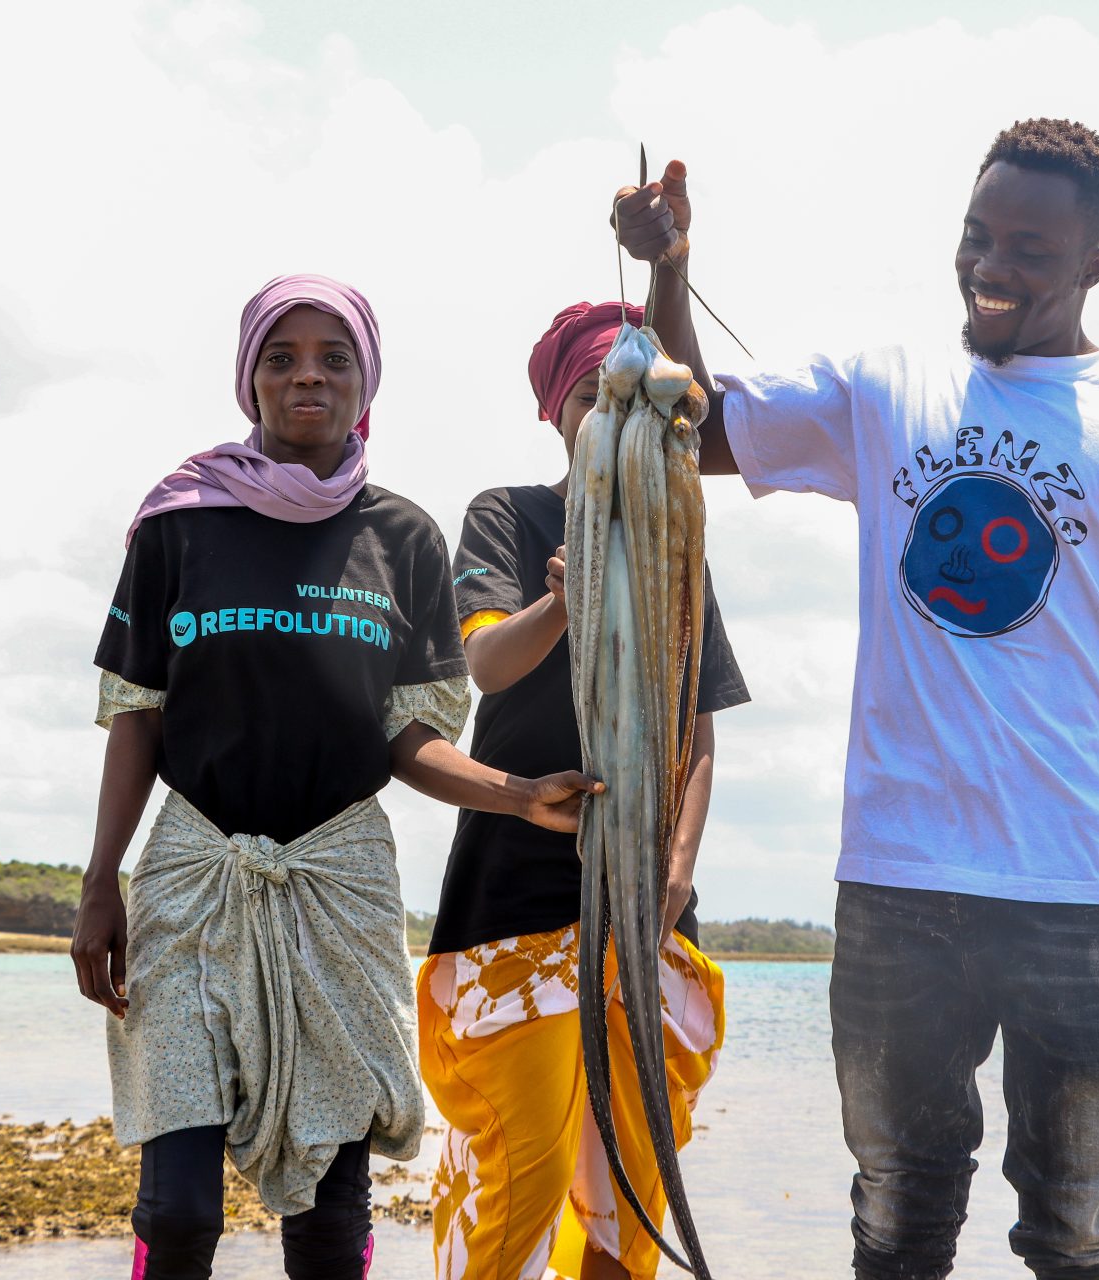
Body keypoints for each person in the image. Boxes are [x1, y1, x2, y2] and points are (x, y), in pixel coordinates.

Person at [614, 119, 1099, 1279]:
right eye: (978, 236)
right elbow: (700, 427)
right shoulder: (886, 387)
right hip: (898, 883)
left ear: (1097, 264)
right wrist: (670, 272)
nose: (990, 266)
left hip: (1074, 884)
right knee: (897, 1219)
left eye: (1030, 249)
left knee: (1081, 1225)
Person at [71, 274, 603, 1280]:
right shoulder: (181, 525)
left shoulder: (401, 537)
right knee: (177, 1209)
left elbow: (408, 738)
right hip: (190, 874)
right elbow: (137, 714)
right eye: (282, 357)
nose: (307, 376)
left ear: (367, 381)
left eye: (333, 358)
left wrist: (517, 793)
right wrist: (102, 882)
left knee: (326, 1215)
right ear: (249, 378)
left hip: (341, 879)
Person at [417, 301, 750, 1280]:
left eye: (636, 398)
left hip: (646, 901)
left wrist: (677, 869)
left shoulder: (678, 538)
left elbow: (697, 727)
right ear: (557, 410)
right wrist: (564, 600)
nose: (616, 414)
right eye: (594, 395)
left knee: (631, 1184)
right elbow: (487, 664)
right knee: (517, 1168)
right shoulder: (508, 514)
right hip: (516, 893)